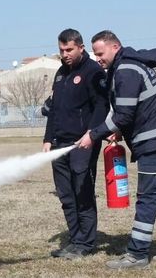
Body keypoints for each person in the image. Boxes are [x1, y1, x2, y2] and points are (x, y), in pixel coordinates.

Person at [84, 30, 156, 270]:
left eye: (100, 53)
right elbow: (135, 110)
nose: (98, 59)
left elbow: (123, 115)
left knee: (147, 197)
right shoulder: (128, 66)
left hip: (154, 143)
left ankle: (137, 254)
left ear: (115, 47)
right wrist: (121, 131)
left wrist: (93, 134)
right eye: (95, 55)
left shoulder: (126, 70)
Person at [43, 29, 110, 259]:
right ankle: (74, 240)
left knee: (83, 193)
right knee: (66, 195)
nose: (65, 54)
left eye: (69, 49)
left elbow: (101, 107)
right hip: (59, 145)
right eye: (61, 50)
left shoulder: (93, 72)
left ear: (81, 47)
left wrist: (91, 135)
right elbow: (53, 110)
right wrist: (47, 139)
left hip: (83, 143)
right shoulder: (61, 74)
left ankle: (86, 243)